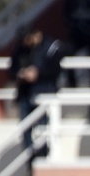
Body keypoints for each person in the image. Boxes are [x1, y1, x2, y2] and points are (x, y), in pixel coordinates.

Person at [10, 24, 65, 153]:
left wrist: (38, 73)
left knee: (43, 128)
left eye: (27, 39)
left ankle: (43, 156)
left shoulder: (51, 47)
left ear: (35, 35)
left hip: (44, 93)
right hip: (26, 93)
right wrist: (21, 73)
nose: (25, 43)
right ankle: (31, 159)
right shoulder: (19, 49)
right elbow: (12, 69)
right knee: (26, 129)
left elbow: (55, 70)